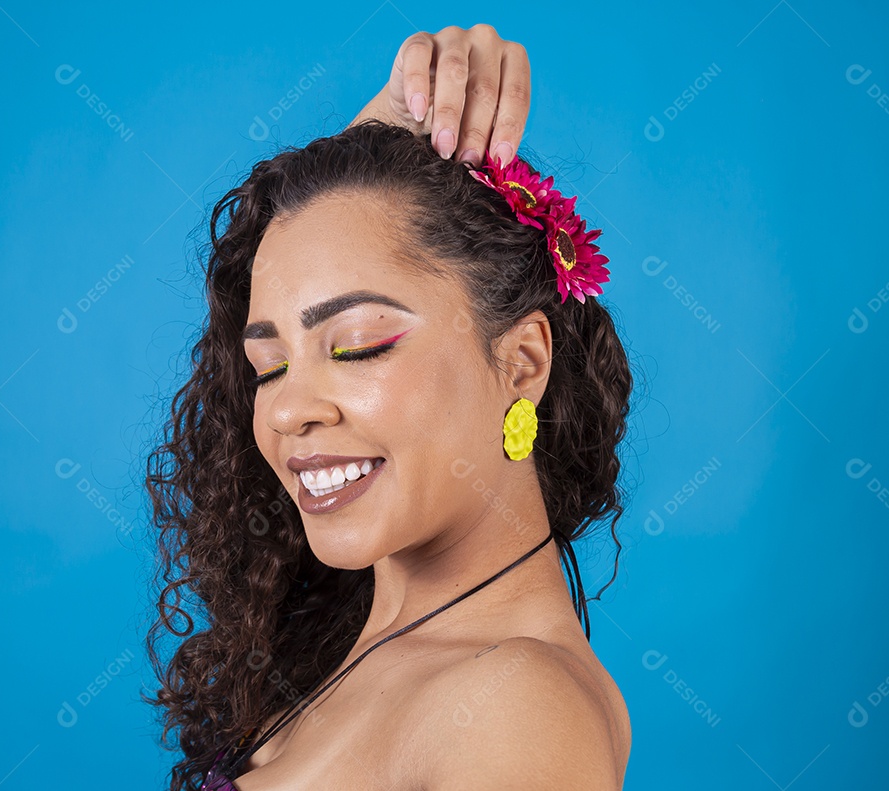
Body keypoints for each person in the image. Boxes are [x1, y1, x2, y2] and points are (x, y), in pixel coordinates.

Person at [144, 24, 633, 791]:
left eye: (360, 345)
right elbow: (331, 249)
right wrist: (372, 146)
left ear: (523, 363)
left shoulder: (517, 706)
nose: (286, 411)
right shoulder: (349, 648)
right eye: (268, 366)